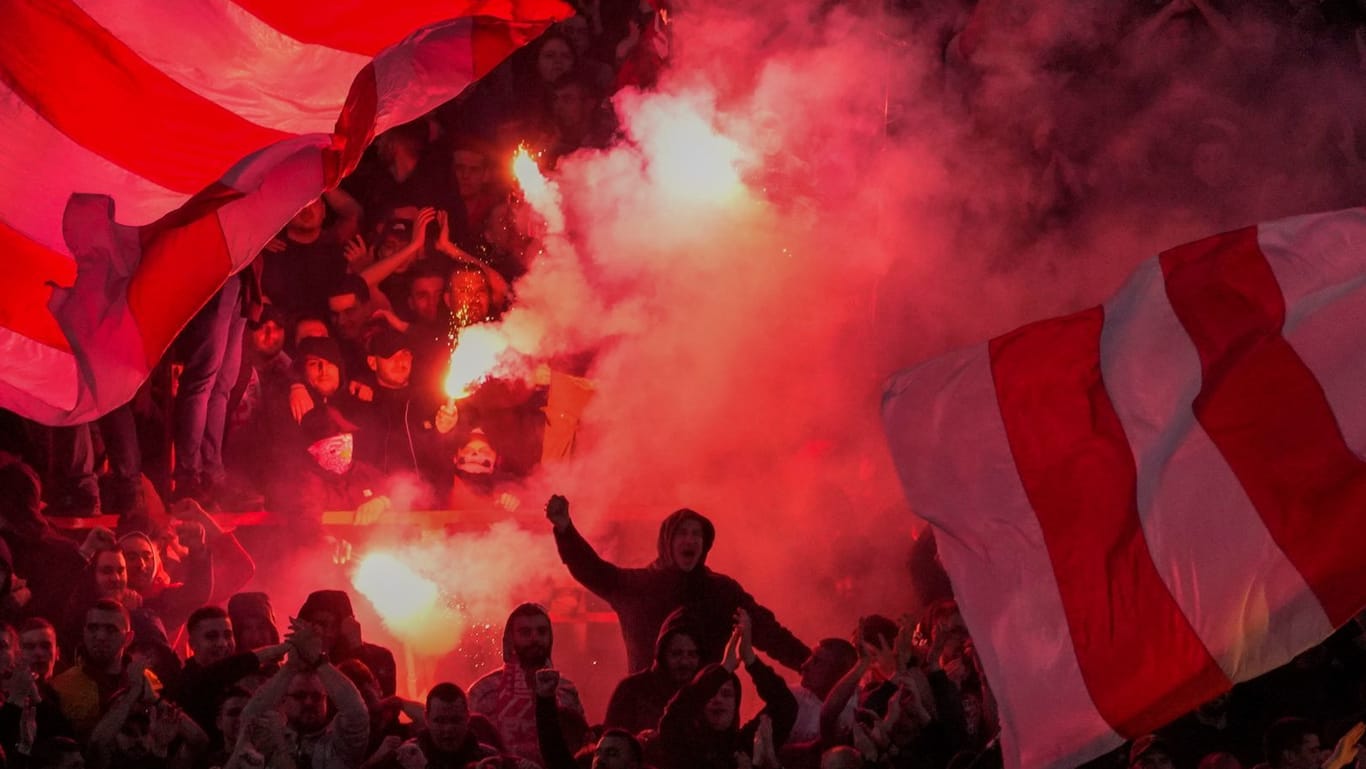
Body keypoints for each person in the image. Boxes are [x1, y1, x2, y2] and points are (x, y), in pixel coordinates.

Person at [545, 494, 811, 674]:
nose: (691, 540)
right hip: (648, 707)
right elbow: (592, 570)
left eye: (697, 534)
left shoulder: (722, 592)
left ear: (705, 543)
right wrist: (565, 529)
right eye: (683, 533)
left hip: (705, 708)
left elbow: (767, 631)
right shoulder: (638, 587)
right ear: (667, 541)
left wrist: (808, 664)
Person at [649, 611, 799, 769]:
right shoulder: (682, 746)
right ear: (699, 703)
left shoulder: (747, 745)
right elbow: (674, 715)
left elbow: (786, 705)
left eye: (727, 694)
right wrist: (724, 668)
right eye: (711, 694)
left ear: (736, 704)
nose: (718, 700)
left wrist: (750, 659)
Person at [239, 619, 370, 769]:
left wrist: (319, 660)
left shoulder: (340, 743)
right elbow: (251, 718)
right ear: (284, 700)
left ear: (326, 700)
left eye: (316, 697)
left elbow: (357, 713)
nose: (308, 702)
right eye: (299, 696)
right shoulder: (271, 739)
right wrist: (290, 667)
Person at [468, 603, 583, 764]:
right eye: (525, 632)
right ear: (511, 638)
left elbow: (580, 749)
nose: (534, 638)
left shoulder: (566, 690)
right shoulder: (483, 691)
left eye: (541, 631)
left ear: (550, 637)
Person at [175, 606, 291, 734]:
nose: (222, 643)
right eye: (211, 636)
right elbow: (217, 674)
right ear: (192, 643)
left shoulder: (244, 678)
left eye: (227, 635)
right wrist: (286, 647)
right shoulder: (186, 682)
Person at [604, 608, 703, 734]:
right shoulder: (631, 690)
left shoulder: (704, 694)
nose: (684, 662)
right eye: (676, 654)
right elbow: (613, 743)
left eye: (691, 654)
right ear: (662, 655)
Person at [51, 600, 136, 741]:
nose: (101, 636)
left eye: (111, 629)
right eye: (93, 628)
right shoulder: (61, 686)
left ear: (128, 638)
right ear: (84, 632)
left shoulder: (147, 682)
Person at [297, 590, 398, 697]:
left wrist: (357, 649)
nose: (328, 633)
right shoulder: (302, 662)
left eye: (336, 625)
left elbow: (381, 704)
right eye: (319, 624)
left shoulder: (380, 657)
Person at [789, 638, 860, 744]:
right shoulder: (789, 697)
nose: (804, 666)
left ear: (841, 673)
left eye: (817, 662)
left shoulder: (859, 709)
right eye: (810, 658)